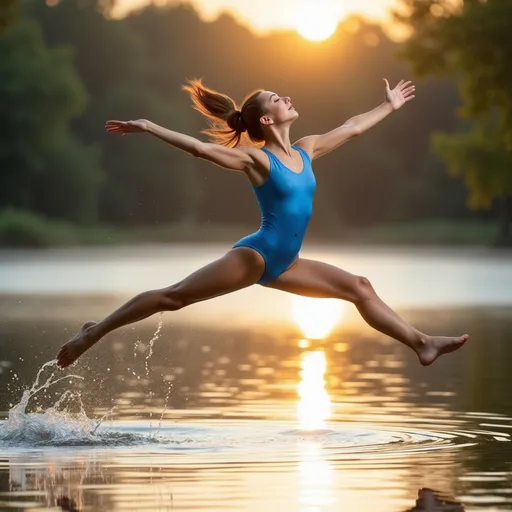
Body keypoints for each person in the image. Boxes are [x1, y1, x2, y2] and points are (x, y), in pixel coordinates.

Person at [56, 78, 468, 369]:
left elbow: (352, 128)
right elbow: (201, 150)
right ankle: (94, 332)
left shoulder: (306, 150)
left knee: (360, 287)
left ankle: (421, 342)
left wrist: (389, 106)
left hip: (287, 262)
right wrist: (149, 127)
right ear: (267, 120)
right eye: (276, 98)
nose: (285, 97)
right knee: (175, 297)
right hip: (257, 255)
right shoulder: (258, 160)